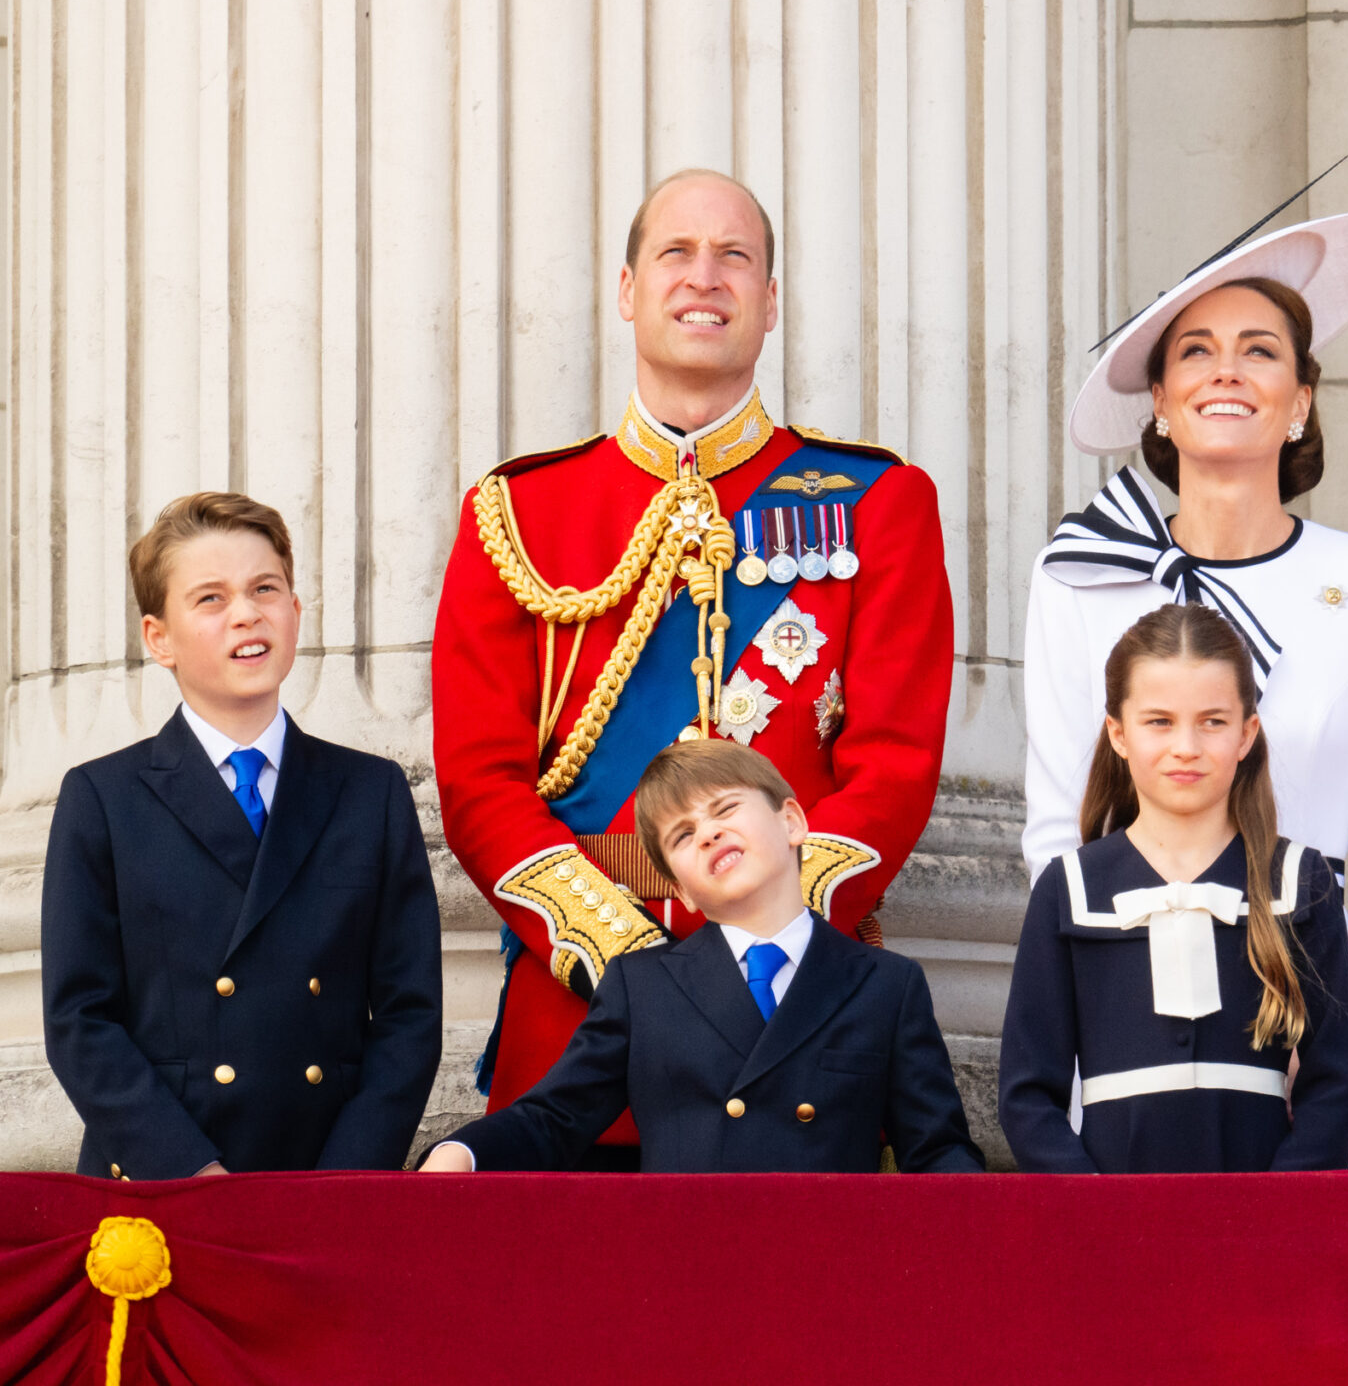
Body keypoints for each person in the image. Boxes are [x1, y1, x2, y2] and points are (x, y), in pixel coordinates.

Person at [431, 169, 955, 1163]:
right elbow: (477, 782)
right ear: (628, 290)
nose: (702, 277)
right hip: (576, 1015)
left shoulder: (877, 501)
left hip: (798, 1020)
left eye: (734, 256)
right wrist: (624, 957)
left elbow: (891, 770)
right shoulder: (517, 514)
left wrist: (762, 939)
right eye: (675, 252)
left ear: (768, 302)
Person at [1022, 211, 1348, 1168]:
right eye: (1196, 352)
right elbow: (1055, 833)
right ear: (1158, 401)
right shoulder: (1080, 578)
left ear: (1299, 399)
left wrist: (1337, 1038)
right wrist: (1102, 1018)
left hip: (1319, 1024)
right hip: (1129, 1031)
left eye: (1260, 351)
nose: (1227, 371)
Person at [42, 493, 443, 1178]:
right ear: (157, 637)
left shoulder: (370, 792)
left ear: (294, 609)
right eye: (210, 598)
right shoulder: (102, 797)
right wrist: (188, 1172)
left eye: (266, 588)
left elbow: (410, 1013)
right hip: (162, 1183)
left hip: (326, 1180)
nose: (247, 612)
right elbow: (80, 1019)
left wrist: (344, 1180)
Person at [421, 743, 980, 1173]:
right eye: (683, 836)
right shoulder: (643, 988)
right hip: (684, 1271)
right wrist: (462, 1152)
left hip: (831, 1273)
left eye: (725, 809)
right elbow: (556, 1117)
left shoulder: (885, 983)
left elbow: (936, 1148)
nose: (710, 833)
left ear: (792, 822)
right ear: (681, 891)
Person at [1000, 604, 1348, 1172]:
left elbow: (1333, 1083)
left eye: (1213, 721)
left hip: (1262, 1232)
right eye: (1159, 721)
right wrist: (1091, 1211)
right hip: (1110, 1233)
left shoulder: (1299, 882)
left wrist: (1280, 1215)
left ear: (1247, 734)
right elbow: (1026, 1097)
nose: (1186, 746)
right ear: (1118, 733)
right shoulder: (1067, 889)